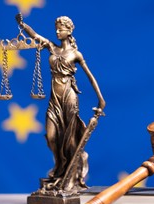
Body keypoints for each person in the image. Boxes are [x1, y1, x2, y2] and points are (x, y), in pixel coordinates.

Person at [15, 13, 106, 192]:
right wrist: (23, 25)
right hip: (54, 100)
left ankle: (70, 177)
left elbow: (91, 77)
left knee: (70, 139)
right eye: (56, 28)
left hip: (69, 97)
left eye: (61, 28)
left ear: (69, 30)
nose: (57, 31)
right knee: (51, 137)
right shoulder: (51, 48)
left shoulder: (76, 54)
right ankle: (60, 170)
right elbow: (35, 36)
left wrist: (101, 99)